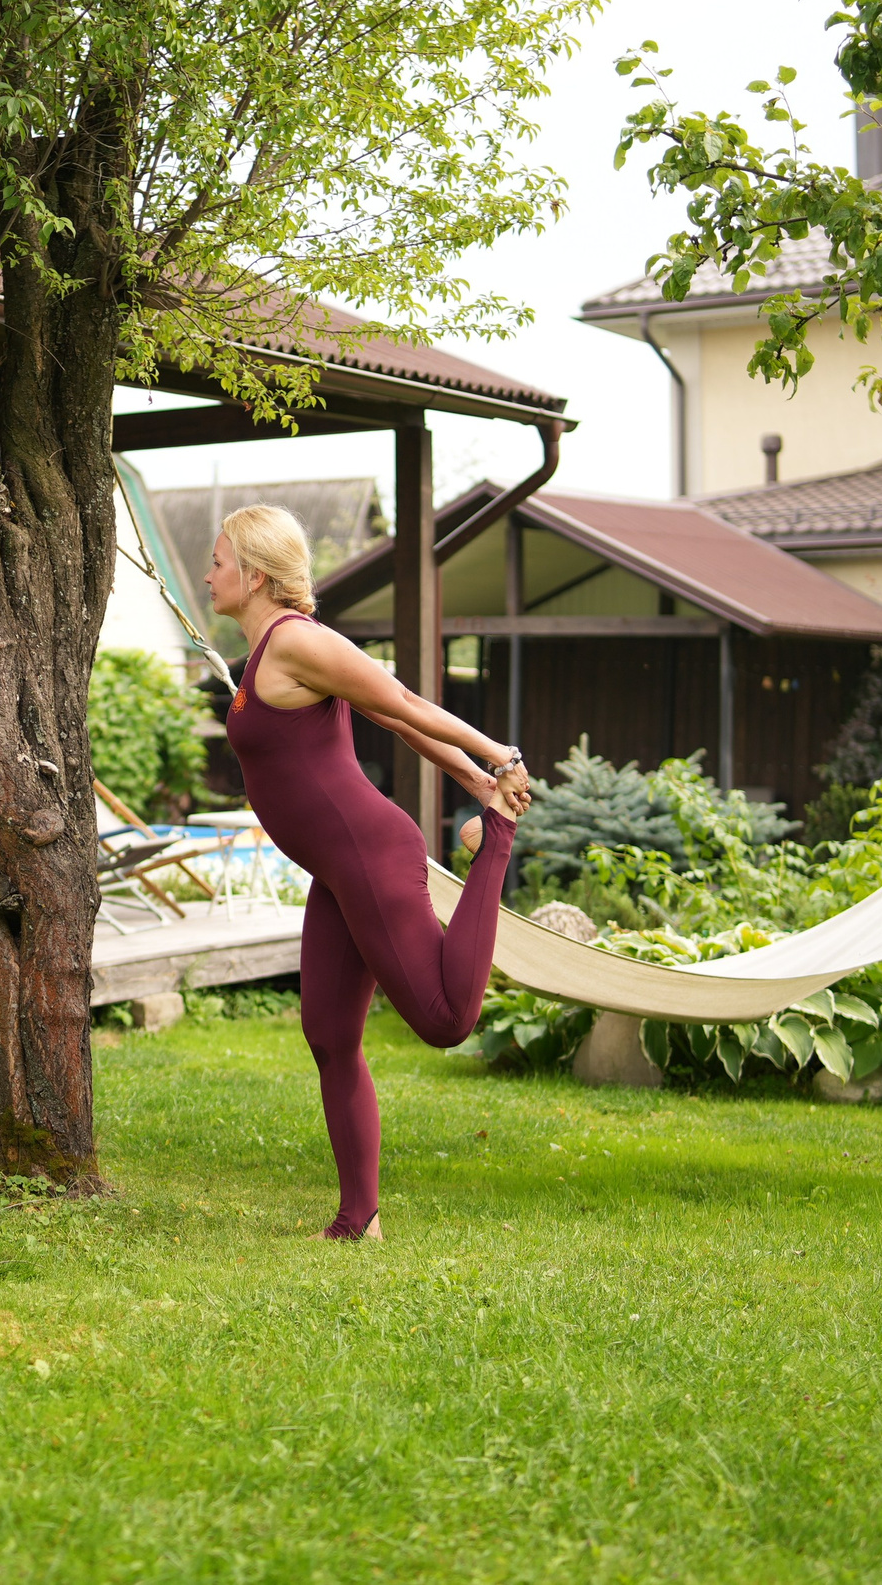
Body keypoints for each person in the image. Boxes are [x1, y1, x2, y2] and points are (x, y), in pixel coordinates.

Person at [207, 505, 533, 1241]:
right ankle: (360, 1218)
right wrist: (474, 782)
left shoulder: (296, 642)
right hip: (335, 869)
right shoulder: (268, 656)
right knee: (328, 1033)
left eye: (219, 558)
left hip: (368, 851)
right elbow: (393, 724)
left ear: (255, 574)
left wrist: (498, 762)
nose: (209, 571)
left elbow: (405, 700)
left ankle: (498, 845)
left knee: (446, 1021)